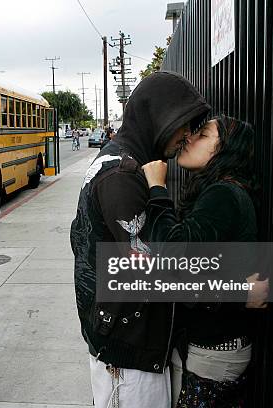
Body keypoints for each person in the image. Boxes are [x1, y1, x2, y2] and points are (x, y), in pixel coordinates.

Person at [70, 71, 211, 408]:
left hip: (123, 339)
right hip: (128, 354)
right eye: (185, 125)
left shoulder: (119, 159)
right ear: (159, 116)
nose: (187, 137)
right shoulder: (122, 175)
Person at [142, 115, 269, 406]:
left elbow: (172, 254)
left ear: (224, 149)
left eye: (202, 135)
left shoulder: (223, 195)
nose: (189, 138)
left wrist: (156, 190)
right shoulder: (224, 192)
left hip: (213, 352)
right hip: (210, 348)